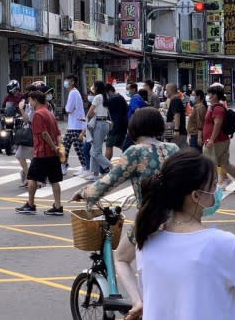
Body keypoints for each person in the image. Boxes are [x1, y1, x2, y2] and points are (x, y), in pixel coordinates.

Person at [73, 107, 179, 318]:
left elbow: (108, 181)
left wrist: (84, 194)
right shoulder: (173, 148)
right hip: (178, 219)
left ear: (134, 128)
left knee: (121, 258)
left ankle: (139, 303)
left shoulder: (136, 152)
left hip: (150, 220)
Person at [134, 149, 235, 320]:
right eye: (214, 185)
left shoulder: (146, 240)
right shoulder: (224, 245)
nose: (217, 190)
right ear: (196, 196)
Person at [15, 91, 63, 216]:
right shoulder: (49, 113)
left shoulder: (38, 114)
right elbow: (58, 132)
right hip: (53, 154)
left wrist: (53, 147)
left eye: (30, 100)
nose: (29, 103)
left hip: (42, 152)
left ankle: (30, 205)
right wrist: (58, 148)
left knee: (32, 178)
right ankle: (58, 206)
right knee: (54, 180)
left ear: (35, 100)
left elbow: (44, 134)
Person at [203, 85, 235, 193]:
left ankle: (210, 188)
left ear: (214, 96)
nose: (208, 96)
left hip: (216, 142)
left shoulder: (217, 108)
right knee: (225, 164)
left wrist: (211, 140)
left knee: (209, 164)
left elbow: (217, 124)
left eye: (209, 93)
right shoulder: (216, 107)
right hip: (221, 140)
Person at [84, 80, 111, 180]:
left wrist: (87, 119)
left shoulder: (98, 97)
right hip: (104, 123)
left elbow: (90, 112)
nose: (92, 87)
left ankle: (111, 166)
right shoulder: (105, 96)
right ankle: (94, 173)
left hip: (99, 124)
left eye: (93, 86)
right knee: (94, 149)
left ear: (97, 87)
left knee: (95, 152)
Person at [62, 74, 87, 175]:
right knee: (65, 145)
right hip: (73, 125)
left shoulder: (73, 93)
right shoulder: (74, 92)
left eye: (67, 80)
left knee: (78, 147)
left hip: (76, 125)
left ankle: (85, 167)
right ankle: (63, 165)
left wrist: (66, 109)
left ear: (72, 82)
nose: (66, 83)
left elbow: (68, 109)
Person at [16, 85, 38, 189]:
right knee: (32, 158)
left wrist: (21, 109)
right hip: (31, 133)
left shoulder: (33, 106)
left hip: (31, 133)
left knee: (20, 155)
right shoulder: (31, 105)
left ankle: (30, 178)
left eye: (28, 94)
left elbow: (27, 120)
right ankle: (31, 178)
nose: (27, 97)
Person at [105, 84, 128, 160]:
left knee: (109, 145)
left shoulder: (112, 99)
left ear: (109, 91)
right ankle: (130, 158)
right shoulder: (121, 97)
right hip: (123, 125)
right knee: (121, 144)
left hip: (114, 126)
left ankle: (105, 167)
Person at [165, 83, 187, 148]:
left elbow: (177, 114)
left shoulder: (175, 100)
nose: (166, 92)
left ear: (171, 90)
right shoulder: (176, 100)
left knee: (174, 152)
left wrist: (176, 130)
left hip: (176, 132)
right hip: (175, 131)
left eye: (166, 90)